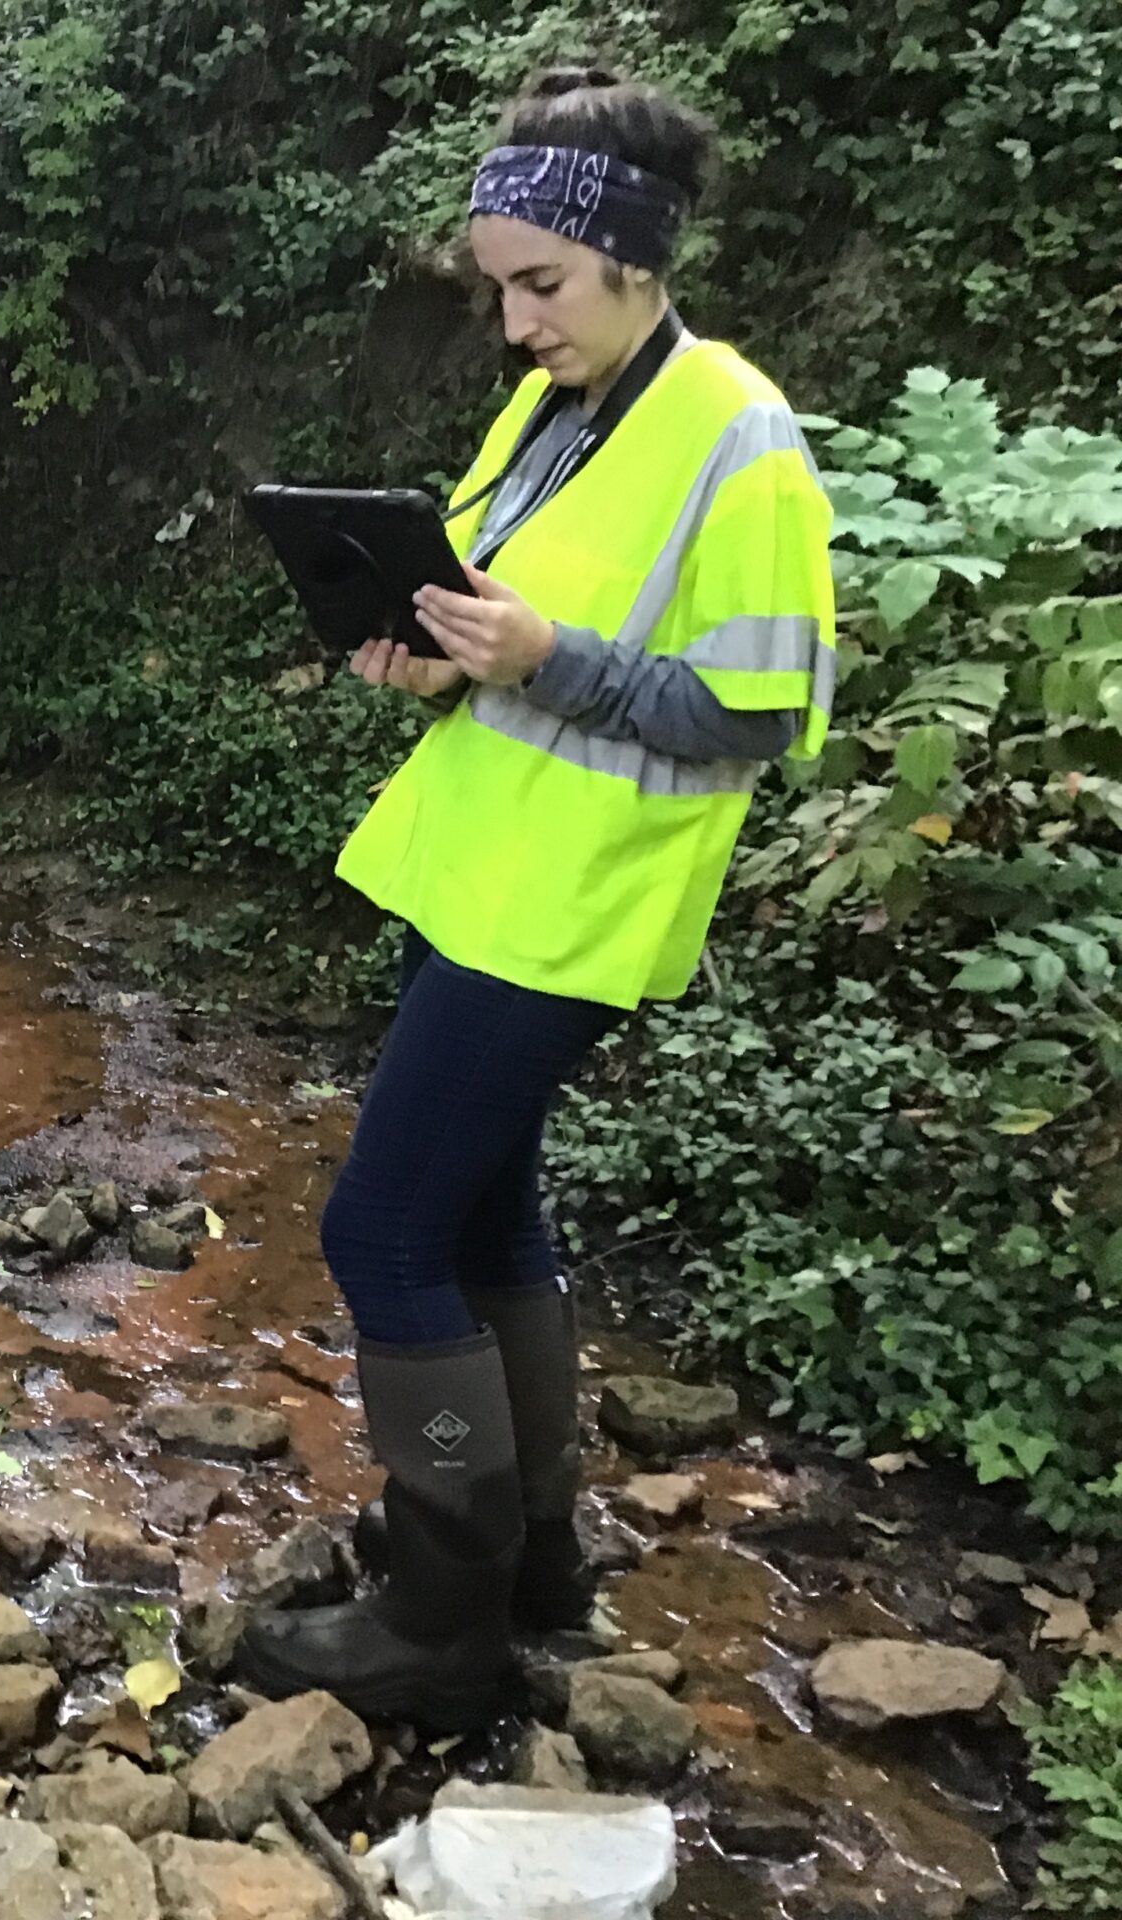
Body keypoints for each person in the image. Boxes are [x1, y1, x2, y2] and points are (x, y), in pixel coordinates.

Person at [233, 66, 836, 1731]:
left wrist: (550, 659)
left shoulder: (743, 438)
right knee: (491, 1216)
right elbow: (493, 619)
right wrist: (427, 659)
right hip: (484, 873)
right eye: (499, 287)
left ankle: (438, 1616)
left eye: (541, 285)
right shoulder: (559, 411)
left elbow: (755, 712)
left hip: (579, 904)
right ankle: (535, 1558)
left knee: (382, 1229)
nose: (514, 322)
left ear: (637, 261)